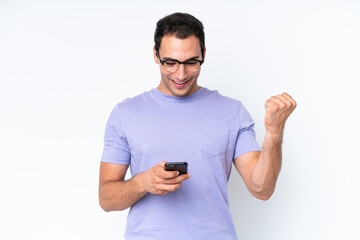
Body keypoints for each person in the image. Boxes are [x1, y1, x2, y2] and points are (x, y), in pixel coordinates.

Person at [98, 12, 296, 240]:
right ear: (155, 54)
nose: (181, 74)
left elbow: (261, 189)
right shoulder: (126, 114)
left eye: (191, 62)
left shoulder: (232, 112)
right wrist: (142, 183)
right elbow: (107, 199)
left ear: (203, 54)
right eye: (170, 62)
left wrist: (274, 132)